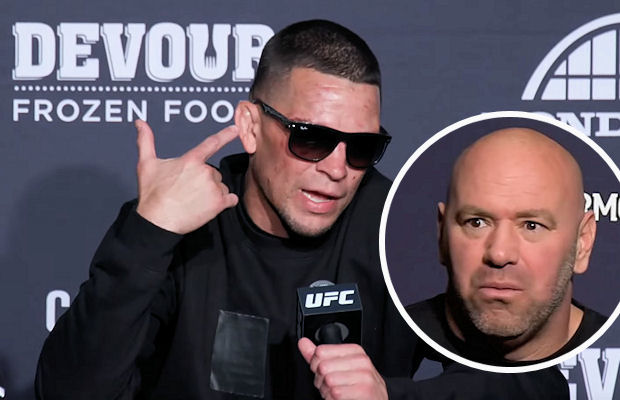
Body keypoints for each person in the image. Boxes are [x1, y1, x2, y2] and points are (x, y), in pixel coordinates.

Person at [36, 20, 568, 399]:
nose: (337, 169)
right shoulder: (178, 224)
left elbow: (538, 385)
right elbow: (68, 391)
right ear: (250, 127)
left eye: (362, 147)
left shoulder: (399, 232)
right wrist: (148, 232)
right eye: (311, 139)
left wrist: (390, 396)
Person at [406, 127, 607, 366]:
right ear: (442, 234)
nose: (499, 254)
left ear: (583, 242)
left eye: (532, 226)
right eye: (477, 222)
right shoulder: (384, 345)